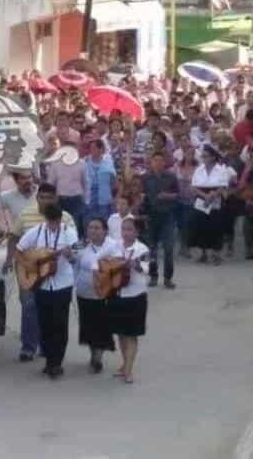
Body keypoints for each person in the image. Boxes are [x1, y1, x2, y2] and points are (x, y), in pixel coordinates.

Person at [6, 183, 75, 363]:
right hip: (30, 271)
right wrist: (11, 261)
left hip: (56, 277)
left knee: (50, 314)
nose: (45, 201)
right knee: (29, 307)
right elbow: (14, 238)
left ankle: (47, 349)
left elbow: (75, 248)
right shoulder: (26, 214)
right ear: (37, 198)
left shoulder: (66, 219)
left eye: (49, 198)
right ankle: (28, 347)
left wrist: (71, 255)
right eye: (42, 197)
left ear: (56, 199)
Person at [15, 203, 78, 379]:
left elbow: (75, 259)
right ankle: (49, 360)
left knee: (59, 324)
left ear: (60, 219)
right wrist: (29, 265)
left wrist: (69, 255)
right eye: (50, 221)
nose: (53, 225)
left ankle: (56, 363)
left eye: (56, 222)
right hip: (41, 284)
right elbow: (19, 250)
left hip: (62, 284)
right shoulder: (37, 231)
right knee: (44, 323)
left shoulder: (69, 233)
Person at [74, 217, 122, 373]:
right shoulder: (81, 247)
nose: (93, 231)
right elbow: (75, 267)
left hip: (104, 294)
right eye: (90, 227)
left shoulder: (113, 246)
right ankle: (93, 353)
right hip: (84, 293)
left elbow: (118, 268)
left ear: (105, 231)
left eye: (97, 228)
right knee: (88, 327)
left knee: (101, 327)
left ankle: (98, 358)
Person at [109, 218, 150, 385]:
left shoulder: (142, 249)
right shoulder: (114, 246)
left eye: (130, 229)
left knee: (132, 334)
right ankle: (125, 363)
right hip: (117, 294)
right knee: (120, 332)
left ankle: (129, 370)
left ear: (137, 232)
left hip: (136, 295)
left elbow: (146, 269)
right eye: (124, 229)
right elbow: (105, 263)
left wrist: (134, 264)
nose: (126, 232)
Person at [141, 151, 179, 288]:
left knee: (168, 248)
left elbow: (178, 195)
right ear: (151, 162)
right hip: (151, 216)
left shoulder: (171, 177)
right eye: (154, 160)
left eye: (160, 160)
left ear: (164, 162)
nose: (157, 163)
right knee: (152, 250)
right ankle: (153, 276)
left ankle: (168, 278)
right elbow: (142, 197)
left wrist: (168, 196)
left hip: (167, 216)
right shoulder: (145, 178)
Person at [189, 144, 231, 265]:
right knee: (201, 226)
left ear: (213, 157)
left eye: (206, 156)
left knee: (215, 227)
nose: (203, 158)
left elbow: (223, 186)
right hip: (201, 199)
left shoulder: (221, 169)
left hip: (215, 199)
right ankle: (203, 253)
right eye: (203, 156)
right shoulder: (199, 169)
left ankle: (216, 254)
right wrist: (205, 196)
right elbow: (194, 186)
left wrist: (212, 196)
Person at [47, 151, 86, 236]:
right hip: (60, 200)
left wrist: (85, 198)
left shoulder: (81, 163)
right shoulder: (55, 164)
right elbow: (51, 183)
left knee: (76, 224)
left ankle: (76, 244)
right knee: (62, 223)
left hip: (76, 199)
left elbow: (86, 181)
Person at [84, 139, 116, 222]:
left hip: (105, 198)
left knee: (104, 222)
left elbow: (113, 180)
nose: (91, 150)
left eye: (94, 148)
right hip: (90, 199)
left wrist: (113, 196)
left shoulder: (108, 161)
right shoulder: (84, 161)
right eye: (90, 148)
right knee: (90, 221)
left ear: (101, 149)